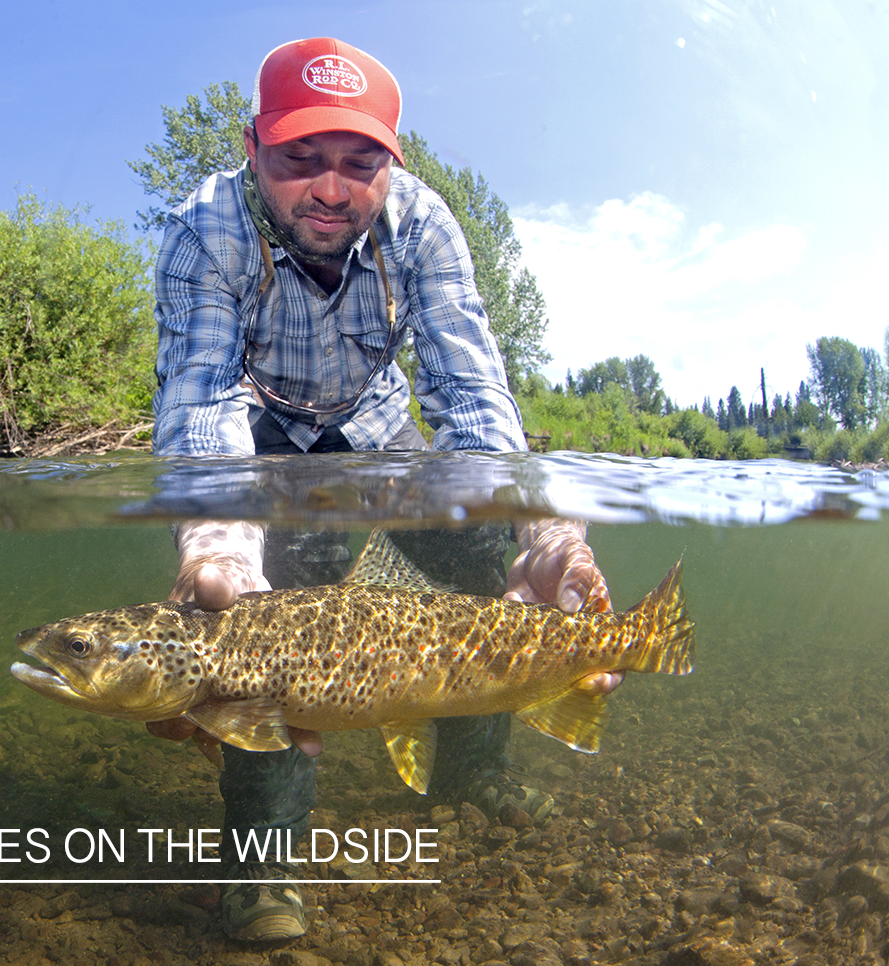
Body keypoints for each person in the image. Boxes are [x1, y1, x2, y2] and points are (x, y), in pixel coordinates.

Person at [149, 37, 616, 942]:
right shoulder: (201, 230)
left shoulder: (425, 224)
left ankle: (471, 772)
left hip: (380, 433)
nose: (330, 189)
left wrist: (545, 536)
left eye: (359, 163)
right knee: (265, 645)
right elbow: (200, 406)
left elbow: (474, 395)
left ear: (390, 163)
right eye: (300, 161)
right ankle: (260, 873)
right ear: (254, 149)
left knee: (492, 569)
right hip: (261, 444)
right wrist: (215, 549)